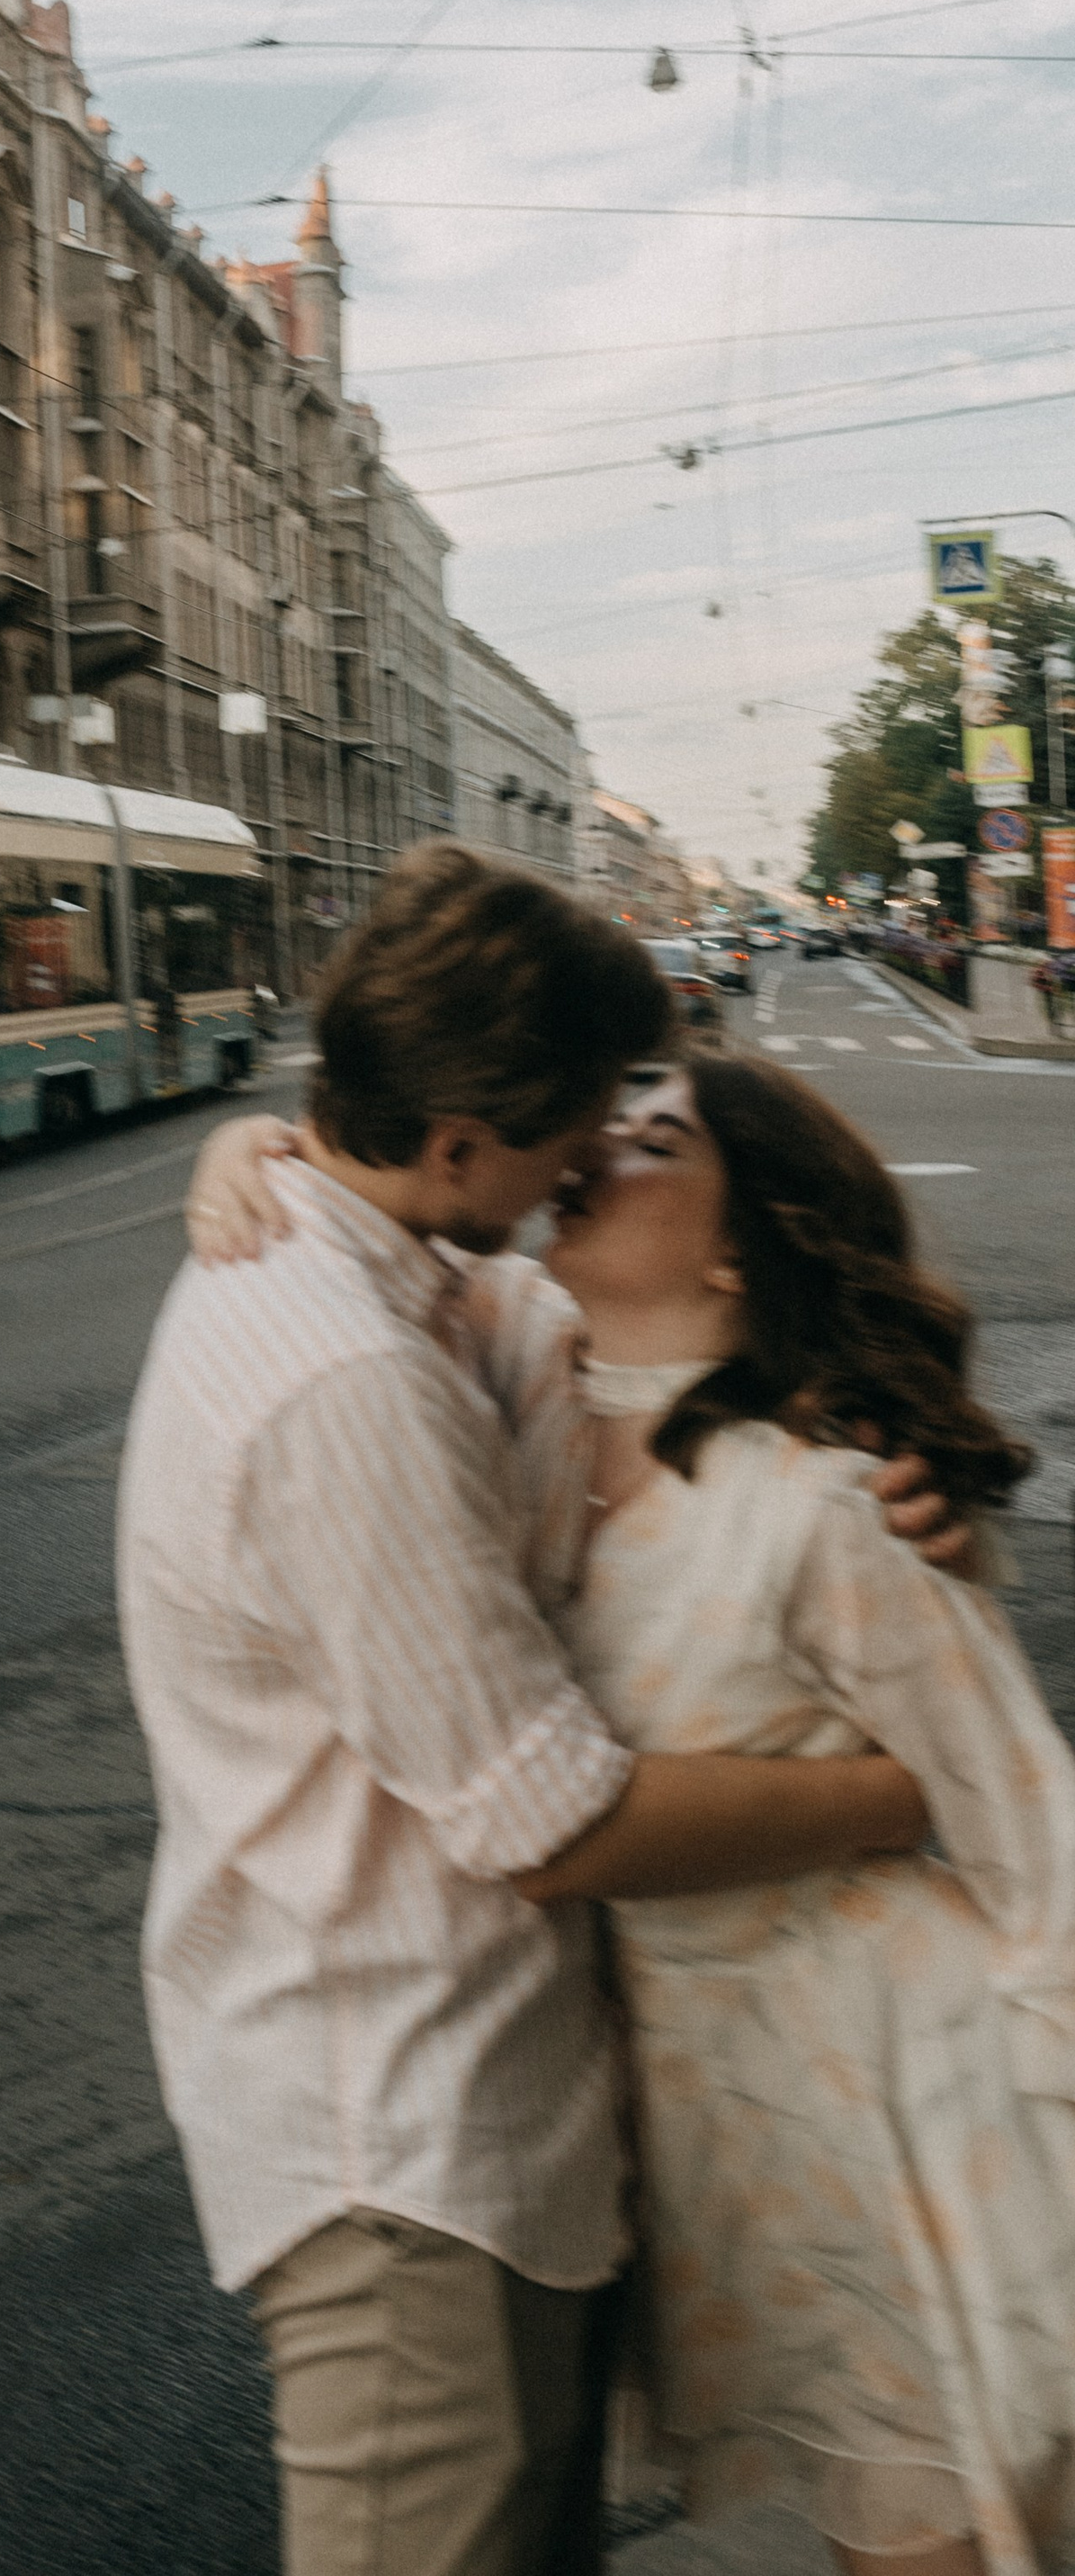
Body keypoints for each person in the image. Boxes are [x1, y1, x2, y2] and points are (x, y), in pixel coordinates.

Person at [127, 844, 968, 2576]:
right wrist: (906, 1789)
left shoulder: (422, 1283)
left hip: (497, 2119)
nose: (597, 1149)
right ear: (457, 1147)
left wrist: (919, 1479)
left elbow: (647, 1341)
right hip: (404, 2147)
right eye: (580, 1121)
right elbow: (548, 1823)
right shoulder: (340, 1369)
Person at [533, 1056, 1071, 2576]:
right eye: (606, 1113)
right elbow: (359, 1214)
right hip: (718, 2110)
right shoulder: (515, 1406)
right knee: (856, 2523)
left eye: (654, 1138)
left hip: (894, 2104)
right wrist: (249, 1153)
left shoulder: (821, 1505)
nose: (599, 1141)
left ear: (736, 1246)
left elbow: (1026, 1817)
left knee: (921, 2538)